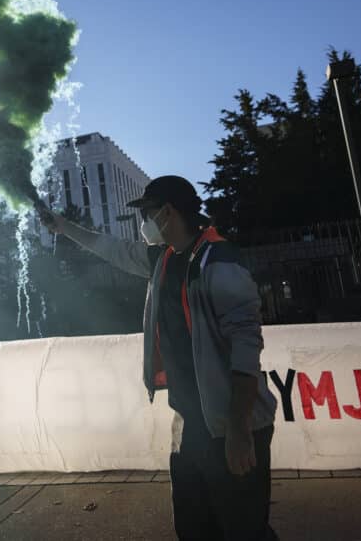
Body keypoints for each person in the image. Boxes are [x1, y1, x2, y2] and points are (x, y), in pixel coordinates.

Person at [42, 175, 278, 540]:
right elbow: (110, 248)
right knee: (194, 528)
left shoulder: (219, 260)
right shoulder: (162, 259)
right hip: (188, 425)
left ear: (167, 212)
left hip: (231, 424)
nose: (143, 222)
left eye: (148, 212)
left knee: (244, 529)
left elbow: (246, 350)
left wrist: (239, 430)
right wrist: (62, 227)